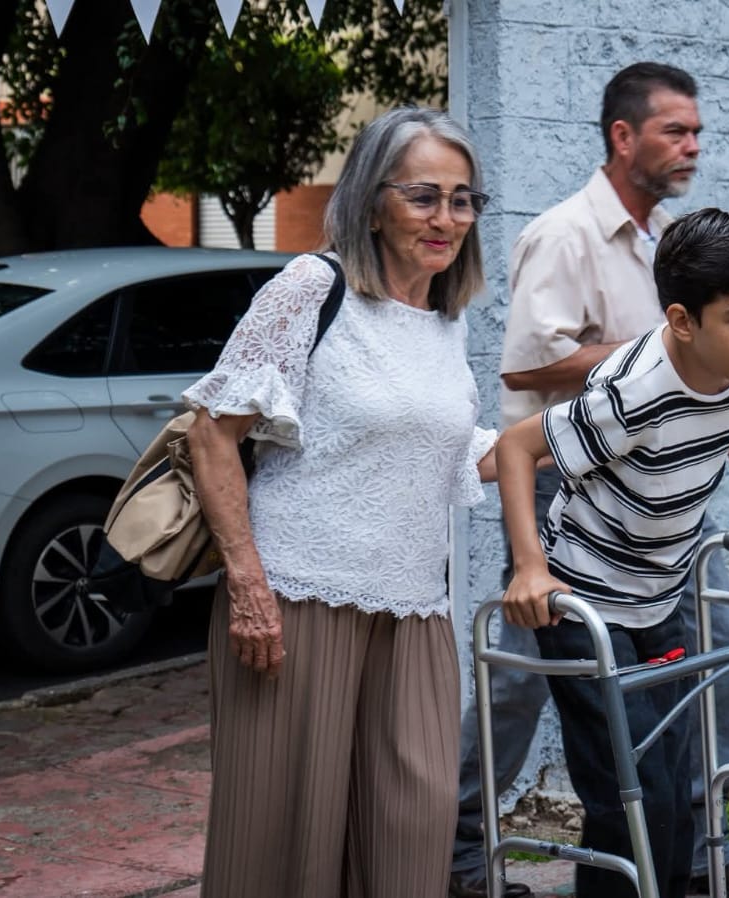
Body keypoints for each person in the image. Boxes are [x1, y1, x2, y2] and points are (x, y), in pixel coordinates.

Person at [447, 62, 729, 898]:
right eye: (676, 130)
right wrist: (659, 363)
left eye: (697, 131)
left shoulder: (675, 240)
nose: (693, 145)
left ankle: (695, 851)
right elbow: (526, 370)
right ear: (623, 136)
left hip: (668, 487)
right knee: (526, 688)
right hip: (570, 484)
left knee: (699, 681)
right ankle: (459, 846)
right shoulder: (565, 235)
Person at [184, 107, 498, 897]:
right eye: (424, 196)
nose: (446, 218)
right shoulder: (311, 289)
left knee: (413, 830)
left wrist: (588, 435)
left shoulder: (446, 321)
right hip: (295, 605)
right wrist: (247, 585)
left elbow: (449, 449)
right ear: (370, 202)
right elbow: (212, 433)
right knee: (283, 847)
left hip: (415, 609)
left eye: (462, 199)